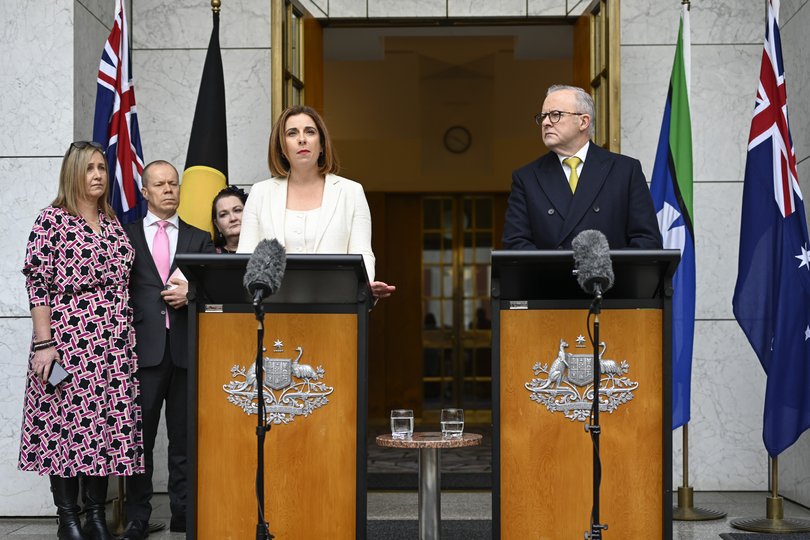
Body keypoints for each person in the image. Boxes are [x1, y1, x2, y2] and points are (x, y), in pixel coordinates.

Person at [19, 141, 143, 540]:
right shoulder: (51, 221)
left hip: (112, 346)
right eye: (89, 168)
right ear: (73, 173)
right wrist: (44, 344)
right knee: (65, 429)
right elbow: (38, 286)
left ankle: (94, 516)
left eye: (102, 168)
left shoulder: (110, 221)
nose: (98, 175)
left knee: (104, 430)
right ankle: (68, 518)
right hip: (68, 343)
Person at [121, 160, 215, 539]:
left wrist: (192, 294)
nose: (168, 190)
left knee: (183, 437)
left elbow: (212, 290)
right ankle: (138, 517)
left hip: (185, 350)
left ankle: (184, 513)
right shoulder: (123, 236)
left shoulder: (199, 238)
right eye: (159, 185)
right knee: (138, 438)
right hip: (141, 352)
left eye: (173, 184)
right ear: (144, 192)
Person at [238, 105, 395, 300]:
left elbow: (362, 253)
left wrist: (364, 289)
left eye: (310, 132)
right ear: (281, 148)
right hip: (273, 311)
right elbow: (244, 258)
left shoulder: (351, 192)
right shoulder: (261, 193)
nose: (302, 139)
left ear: (321, 145)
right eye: (292, 133)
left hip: (336, 309)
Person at [502, 85, 662, 250]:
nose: (546, 122)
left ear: (583, 121)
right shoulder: (526, 178)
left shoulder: (625, 171)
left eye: (555, 115)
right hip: (549, 276)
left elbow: (647, 241)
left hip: (610, 275)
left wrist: (603, 270)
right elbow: (515, 244)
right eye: (543, 116)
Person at [211, 185, 248, 253]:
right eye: (223, 214)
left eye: (237, 210)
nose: (233, 218)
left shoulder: (267, 252)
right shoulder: (212, 257)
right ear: (217, 225)